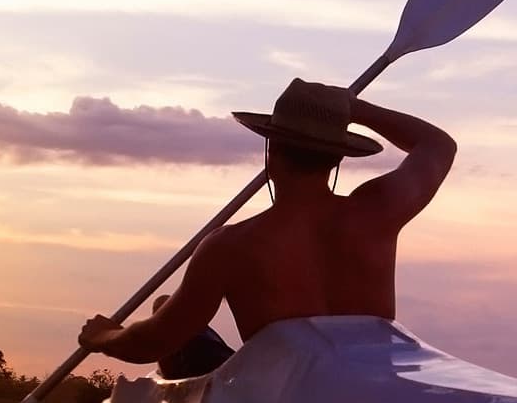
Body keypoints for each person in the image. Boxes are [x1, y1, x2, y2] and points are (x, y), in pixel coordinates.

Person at [78, 77, 457, 374]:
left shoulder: (229, 246)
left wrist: (105, 337)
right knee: (165, 304)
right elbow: (437, 145)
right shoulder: (378, 211)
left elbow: (155, 341)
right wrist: (356, 108)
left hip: (282, 389)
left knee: (167, 310)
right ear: (337, 159)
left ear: (271, 153)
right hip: (369, 382)